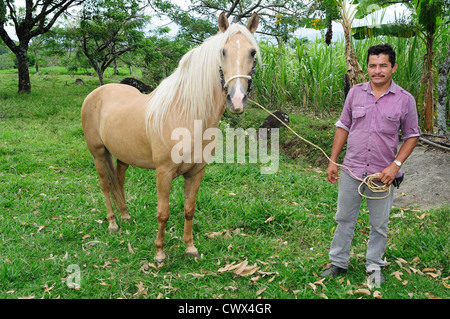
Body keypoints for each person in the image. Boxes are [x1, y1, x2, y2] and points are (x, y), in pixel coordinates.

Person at [321, 44, 421, 286]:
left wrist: (395, 165)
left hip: (382, 175)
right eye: (373, 65)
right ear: (367, 67)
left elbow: (412, 135)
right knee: (344, 217)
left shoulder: (405, 100)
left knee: (379, 224)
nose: (377, 71)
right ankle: (338, 263)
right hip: (352, 168)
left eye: (383, 65)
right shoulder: (355, 93)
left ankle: (374, 266)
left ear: (393, 67)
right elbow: (343, 126)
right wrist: (333, 160)